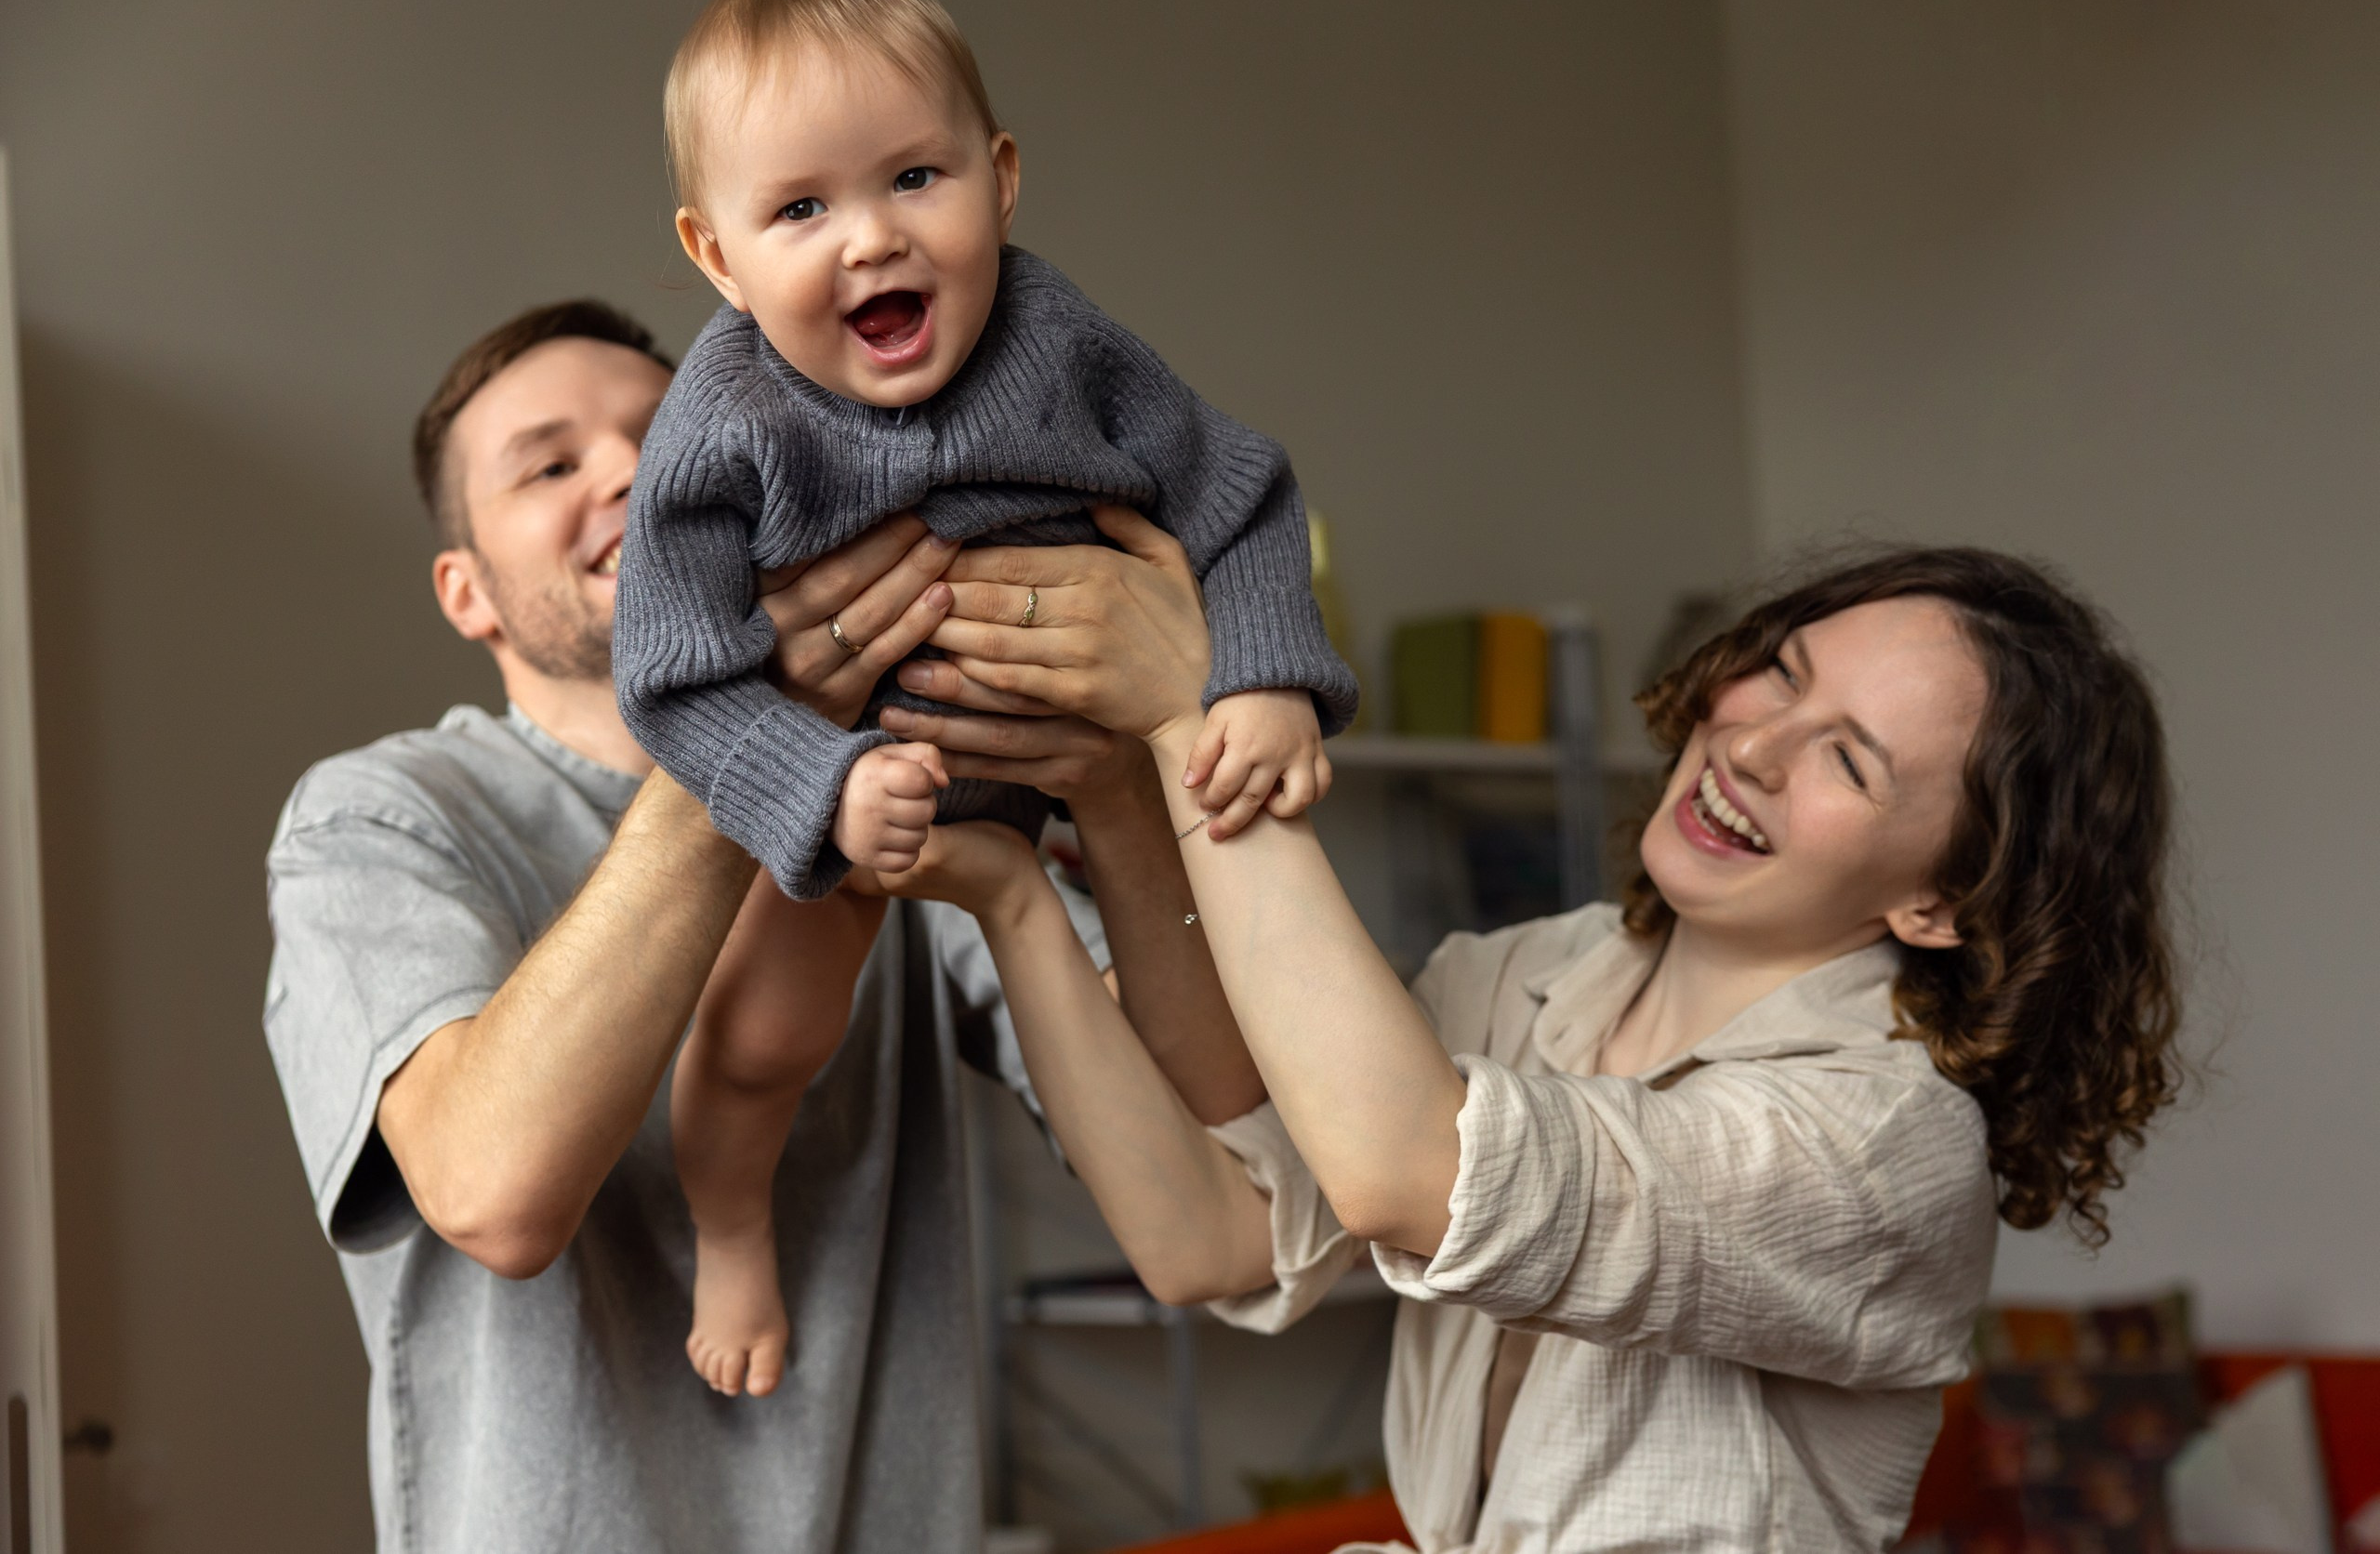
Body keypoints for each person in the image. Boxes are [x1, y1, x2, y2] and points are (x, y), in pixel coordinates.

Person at [877, 522, 2186, 1551]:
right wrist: (1051, 864)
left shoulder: (1892, 1143)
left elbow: (1415, 1173)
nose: (1755, 747)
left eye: (1851, 762)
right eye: (1781, 673)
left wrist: (1191, 720)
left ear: (1942, 901)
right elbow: (1213, 1233)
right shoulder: (1533, 974)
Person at [259, 299, 1233, 1553]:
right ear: (468, 594)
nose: (627, 471)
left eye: (661, 434)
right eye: (549, 467)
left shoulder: (901, 775)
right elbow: (495, 1196)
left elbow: (1216, 1137)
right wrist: (746, 742)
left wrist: (1121, 787)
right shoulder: (380, 820)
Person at [611, 0, 1358, 1392]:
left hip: (1092, 751)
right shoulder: (721, 425)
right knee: (765, 1036)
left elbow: (1239, 492)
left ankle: (1239, 1171)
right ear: (718, 257)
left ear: (1000, 180)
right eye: (801, 209)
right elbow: (676, 675)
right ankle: (732, 1221)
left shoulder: (1058, 339)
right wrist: (823, 787)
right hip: (863, 778)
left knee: (1199, 1003)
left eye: (915, 177)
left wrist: (1265, 678)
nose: (873, 238)